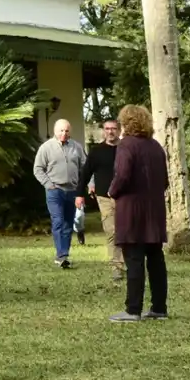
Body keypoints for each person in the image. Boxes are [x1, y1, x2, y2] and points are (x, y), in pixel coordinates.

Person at [106, 105, 170, 323]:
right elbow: (165, 181)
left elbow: (122, 174)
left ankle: (133, 309)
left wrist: (112, 190)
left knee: (134, 259)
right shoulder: (155, 147)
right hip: (154, 211)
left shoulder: (126, 145)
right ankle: (159, 307)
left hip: (132, 211)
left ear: (126, 123)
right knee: (155, 259)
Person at [33, 119, 86, 269]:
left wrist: (89, 184)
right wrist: (49, 185)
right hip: (55, 190)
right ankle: (61, 255)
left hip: (72, 191)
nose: (64, 133)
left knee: (68, 223)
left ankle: (64, 254)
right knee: (58, 221)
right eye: (61, 130)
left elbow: (85, 168)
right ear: (55, 130)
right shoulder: (46, 147)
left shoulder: (77, 147)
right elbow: (37, 169)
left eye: (67, 131)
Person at [80, 118, 124, 281]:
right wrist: (79, 193)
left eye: (113, 128)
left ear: (119, 130)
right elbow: (85, 173)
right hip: (104, 197)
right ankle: (116, 267)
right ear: (103, 131)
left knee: (126, 231)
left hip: (125, 197)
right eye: (107, 129)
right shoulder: (97, 151)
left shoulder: (126, 149)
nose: (110, 132)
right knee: (111, 231)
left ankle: (130, 263)